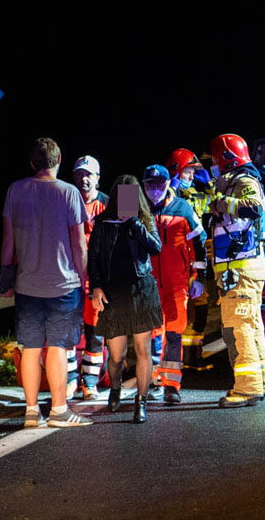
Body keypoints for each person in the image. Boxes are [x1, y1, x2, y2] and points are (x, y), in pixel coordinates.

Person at [0, 137, 92, 428]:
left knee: (30, 347)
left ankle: (30, 412)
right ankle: (59, 410)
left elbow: (8, 239)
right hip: (63, 285)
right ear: (59, 159)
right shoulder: (69, 193)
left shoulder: (16, 190)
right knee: (57, 348)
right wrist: (84, 278)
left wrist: (6, 275)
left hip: (27, 285)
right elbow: (79, 243)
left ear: (31, 163)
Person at [88, 175, 163, 423]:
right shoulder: (103, 223)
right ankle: (116, 386)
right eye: (123, 196)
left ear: (136, 198)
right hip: (113, 295)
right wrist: (96, 288)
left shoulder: (142, 220)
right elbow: (94, 260)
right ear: (116, 197)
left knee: (143, 349)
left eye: (131, 196)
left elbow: (156, 247)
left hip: (142, 292)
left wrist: (134, 224)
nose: (126, 202)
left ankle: (140, 402)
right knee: (117, 356)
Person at [207, 133, 265, 408]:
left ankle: (246, 389)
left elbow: (254, 208)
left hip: (240, 270)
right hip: (242, 268)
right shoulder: (236, 182)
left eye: (214, 159)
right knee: (250, 328)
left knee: (238, 329)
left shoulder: (244, 181)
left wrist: (221, 203)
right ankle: (256, 385)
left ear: (225, 158)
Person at [143, 164, 206, 404]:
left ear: (169, 183)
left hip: (177, 282)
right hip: (147, 283)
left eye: (160, 184)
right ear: (143, 185)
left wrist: (199, 277)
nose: (155, 190)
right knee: (150, 334)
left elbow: (199, 242)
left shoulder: (183, 207)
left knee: (174, 332)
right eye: (150, 185)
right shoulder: (135, 204)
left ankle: (171, 385)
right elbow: (120, 234)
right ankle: (152, 382)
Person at [165, 148, 213, 369]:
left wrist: (210, 183)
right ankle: (170, 361)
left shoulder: (196, 195)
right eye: (188, 172)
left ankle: (193, 356)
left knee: (200, 307)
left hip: (196, 259)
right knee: (174, 313)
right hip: (173, 263)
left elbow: (218, 203)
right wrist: (171, 188)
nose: (192, 177)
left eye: (194, 172)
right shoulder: (164, 195)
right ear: (175, 172)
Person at [71, 155, 108, 400]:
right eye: (80, 175)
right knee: (69, 333)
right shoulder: (66, 200)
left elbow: (132, 227)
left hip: (98, 281)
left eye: (89, 175)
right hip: (71, 280)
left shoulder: (112, 201)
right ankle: (69, 382)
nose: (84, 179)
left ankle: (91, 383)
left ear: (97, 178)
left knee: (96, 333)